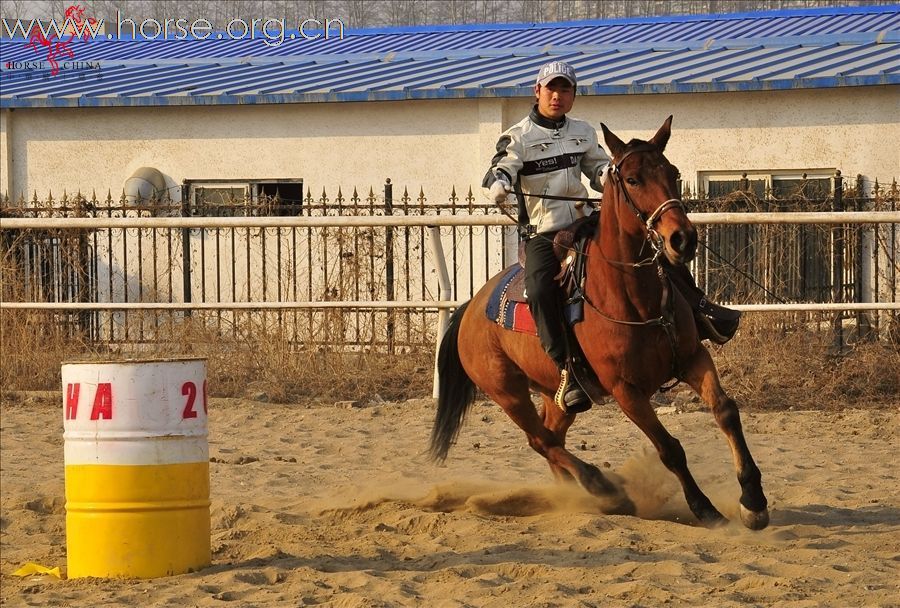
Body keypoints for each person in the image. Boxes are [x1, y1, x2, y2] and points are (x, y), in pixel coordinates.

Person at [483, 60, 740, 414]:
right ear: (537, 91)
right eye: (551, 89)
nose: (558, 96)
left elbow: (600, 170)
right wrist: (499, 184)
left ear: (573, 95)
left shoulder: (583, 132)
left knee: (658, 253)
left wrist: (625, 172)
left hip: (586, 222)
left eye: (565, 89)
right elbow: (501, 167)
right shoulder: (519, 136)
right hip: (545, 233)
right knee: (541, 287)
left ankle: (700, 310)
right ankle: (566, 371)